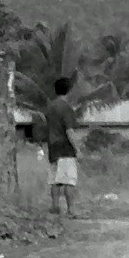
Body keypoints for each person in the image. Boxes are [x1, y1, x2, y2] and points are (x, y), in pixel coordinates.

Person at [33, 76, 85, 218]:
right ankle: (71, 210)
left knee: (55, 180)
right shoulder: (66, 108)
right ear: (68, 91)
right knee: (69, 180)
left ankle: (55, 207)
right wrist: (77, 149)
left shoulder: (50, 108)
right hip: (65, 148)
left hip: (53, 147)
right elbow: (69, 131)